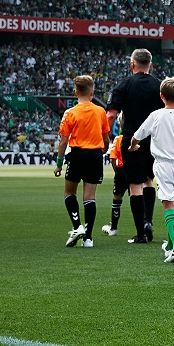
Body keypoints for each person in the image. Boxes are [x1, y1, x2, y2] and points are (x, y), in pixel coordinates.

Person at [106, 49, 163, 244]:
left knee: (135, 185)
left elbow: (111, 115)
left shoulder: (124, 84)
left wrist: (107, 137)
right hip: (154, 140)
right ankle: (148, 222)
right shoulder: (159, 85)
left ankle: (140, 234)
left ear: (132, 64)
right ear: (150, 65)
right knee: (149, 181)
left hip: (132, 139)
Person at [129, 77, 174, 264]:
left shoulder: (156, 115)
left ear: (161, 96)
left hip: (163, 164)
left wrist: (133, 146)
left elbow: (137, 135)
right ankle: (171, 244)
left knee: (168, 202)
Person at [54, 75, 111, 248]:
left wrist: (59, 164)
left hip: (77, 154)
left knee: (69, 193)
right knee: (90, 197)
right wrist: (103, 150)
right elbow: (106, 138)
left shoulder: (70, 113)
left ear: (75, 92)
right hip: (95, 156)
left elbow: (63, 142)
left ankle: (77, 226)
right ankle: (88, 238)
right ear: (92, 92)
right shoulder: (100, 112)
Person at [101, 121, 126, 237]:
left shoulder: (118, 139)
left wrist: (117, 171)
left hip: (121, 171)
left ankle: (114, 228)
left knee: (117, 198)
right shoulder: (137, 138)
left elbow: (112, 158)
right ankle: (143, 227)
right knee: (137, 196)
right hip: (134, 171)